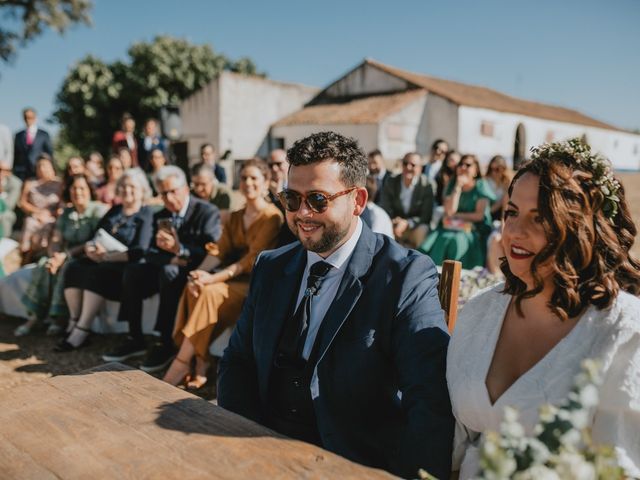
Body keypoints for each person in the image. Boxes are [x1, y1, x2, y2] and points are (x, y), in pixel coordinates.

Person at [217, 131, 453, 479]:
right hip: (261, 451)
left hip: (351, 462)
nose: (302, 214)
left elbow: (429, 397)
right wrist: (244, 445)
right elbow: (238, 362)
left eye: (317, 199)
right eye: (291, 199)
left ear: (358, 201)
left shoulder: (405, 275)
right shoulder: (271, 266)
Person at [447, 139, 640, 479]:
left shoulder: (622, 330)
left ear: (582, 228)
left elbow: (619, 468)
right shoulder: (479, 312)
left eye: (540, 218)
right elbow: (454, 444)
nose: (515, 233)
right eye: (511, 213)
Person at [163, 159, 283, 389]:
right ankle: (201, 361)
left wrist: (212, 278)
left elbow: (250, 261)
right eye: (244, 178)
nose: (248, 182)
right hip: (232, 278)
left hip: (255, 283)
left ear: (266, 182)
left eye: (254, 178)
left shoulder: (271, 217)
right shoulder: (236, 216)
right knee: (194, 288)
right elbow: (219, 250)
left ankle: (181, 362)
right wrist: (199, 273)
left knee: (209, 293)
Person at [102, 165, 222, 372]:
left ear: (185, 189)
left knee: (169, 273)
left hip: (197, 270)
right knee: (134, 270)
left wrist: (180, 249)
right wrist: (169, 259)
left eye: (172, 191)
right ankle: (135, 336)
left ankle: (165, 341)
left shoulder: (206, 211)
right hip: (166, 267)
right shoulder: (159, 215)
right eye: (163, 193)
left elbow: (213, 250)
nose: (168, 197)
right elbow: (147, 252)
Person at [56, 169, 154, 351]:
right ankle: (74, 319)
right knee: (74, 267)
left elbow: (140, 250)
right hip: (102, 259)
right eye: (123, 186)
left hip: (124, 266)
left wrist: (108, 257)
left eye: (132, 186)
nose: (127, 190)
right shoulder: (115, 210)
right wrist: (92, 249)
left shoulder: (146, 214)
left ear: (142, 190)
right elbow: (95, 236)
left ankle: (82, 329)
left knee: (97, 272)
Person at [15, 174, 107, 336]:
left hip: (85, 254)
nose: (78, 192)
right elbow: (56, 238)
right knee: (44, 263)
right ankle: (35, 317)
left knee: (66, 267)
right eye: (74, 188)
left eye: (82, 188)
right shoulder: (66, 213)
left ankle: (59, 318)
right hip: (63, 253)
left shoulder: (98, 211)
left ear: (89, 190)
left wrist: (64, 256)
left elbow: (94, 240)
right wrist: (54, 255)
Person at [419, 154, 494, 269]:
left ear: (475, 170)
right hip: (451, 226)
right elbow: (449, 211)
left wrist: (456, 216)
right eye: (461, 164)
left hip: (475, 228)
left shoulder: (480, 185)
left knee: (456, 240)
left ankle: (457, 275)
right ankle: (435, 274)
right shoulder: (452, 184)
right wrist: (458, 187)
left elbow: (479, 215)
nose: (463, 167)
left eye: (468, 165)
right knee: (441, 238)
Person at [379, 152, 434, 248]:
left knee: (423, 229)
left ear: (420, 168)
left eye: (413, 165)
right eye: (405, 163)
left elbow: (426, 215)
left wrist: (407, 223)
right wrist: (394, 221)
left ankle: (419, 260)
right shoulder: (391, 181)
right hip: (394, 224)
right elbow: (385, 207)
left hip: (414, 227)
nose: (408, 167)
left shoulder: (427, 185)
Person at [17, 153, 62, 263]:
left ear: (52, 167)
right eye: (39, 166)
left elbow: (63, 203)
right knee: (30, 223)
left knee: (49, 225)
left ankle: (45, 258)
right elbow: (22, 202)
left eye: (45, 166)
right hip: (34, 215)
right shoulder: (30, 183)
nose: (42, 169)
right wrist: (37, 212)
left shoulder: (59, 183)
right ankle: (26, 257)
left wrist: (51, 214)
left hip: (53, 216)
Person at [13, 108, 54, 181]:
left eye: (30, 117)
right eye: (26, 117)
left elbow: (49, 153)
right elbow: (16, 154)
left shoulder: (44, 134)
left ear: (35, 118)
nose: (28, 120)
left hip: (38, 171)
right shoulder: (18, 135)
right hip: (22, 172)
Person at [484, 155, 512, 221]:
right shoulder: (486, 180)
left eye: (497, 169)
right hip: (486, 211)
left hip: (499, 213)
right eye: (491, 169)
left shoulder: (507, 182)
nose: (493, 172)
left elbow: (505, 201)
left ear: (503, 169)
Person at [0, 159, 23, 237]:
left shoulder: (15, 183)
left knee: (5, 216)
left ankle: (4, 241)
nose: (1, 172)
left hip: (6, 212)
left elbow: (9, 205)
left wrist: (1, 192)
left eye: (4, 170)